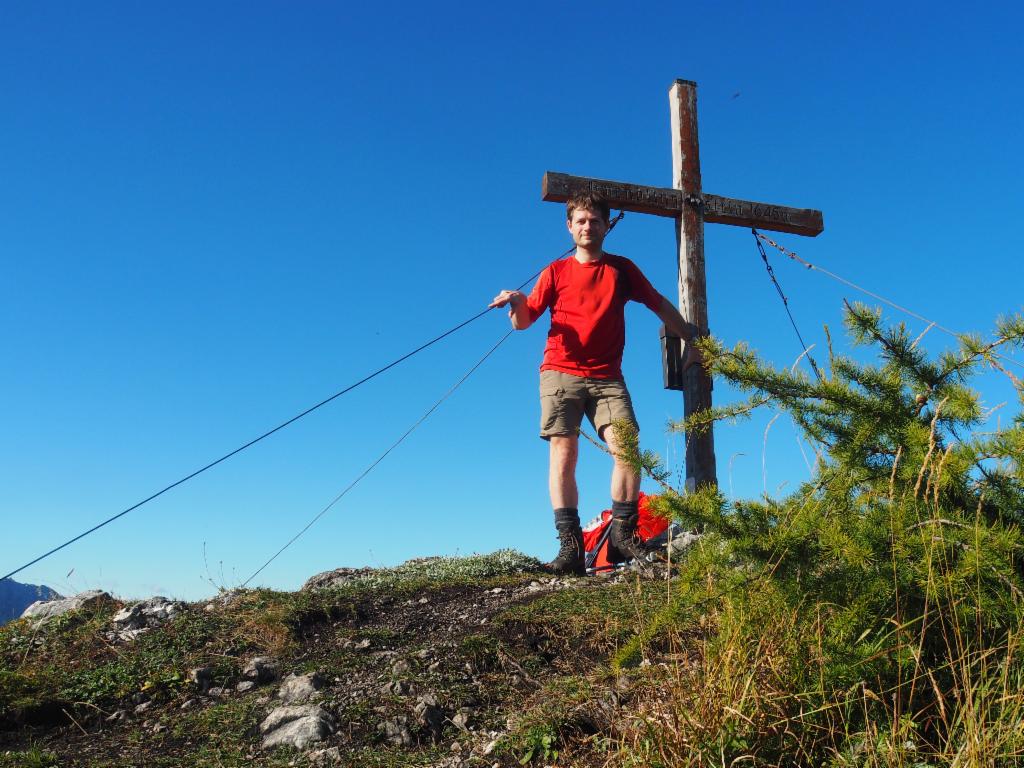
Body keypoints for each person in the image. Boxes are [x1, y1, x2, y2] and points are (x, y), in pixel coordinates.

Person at [490, 191, 700, 575]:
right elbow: (524, 322)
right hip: (560, 372)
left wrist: (690, 336)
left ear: (606, 226)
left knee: (628, 448)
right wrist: (517, 301)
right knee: (564, 454)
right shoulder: (555, 271)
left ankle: (623, 534)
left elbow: (656, 302)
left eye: (594, 221)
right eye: (580, 221)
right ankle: (570, 550)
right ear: (569, 227)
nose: (588, 227)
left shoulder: (621, 270)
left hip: (607, 377)